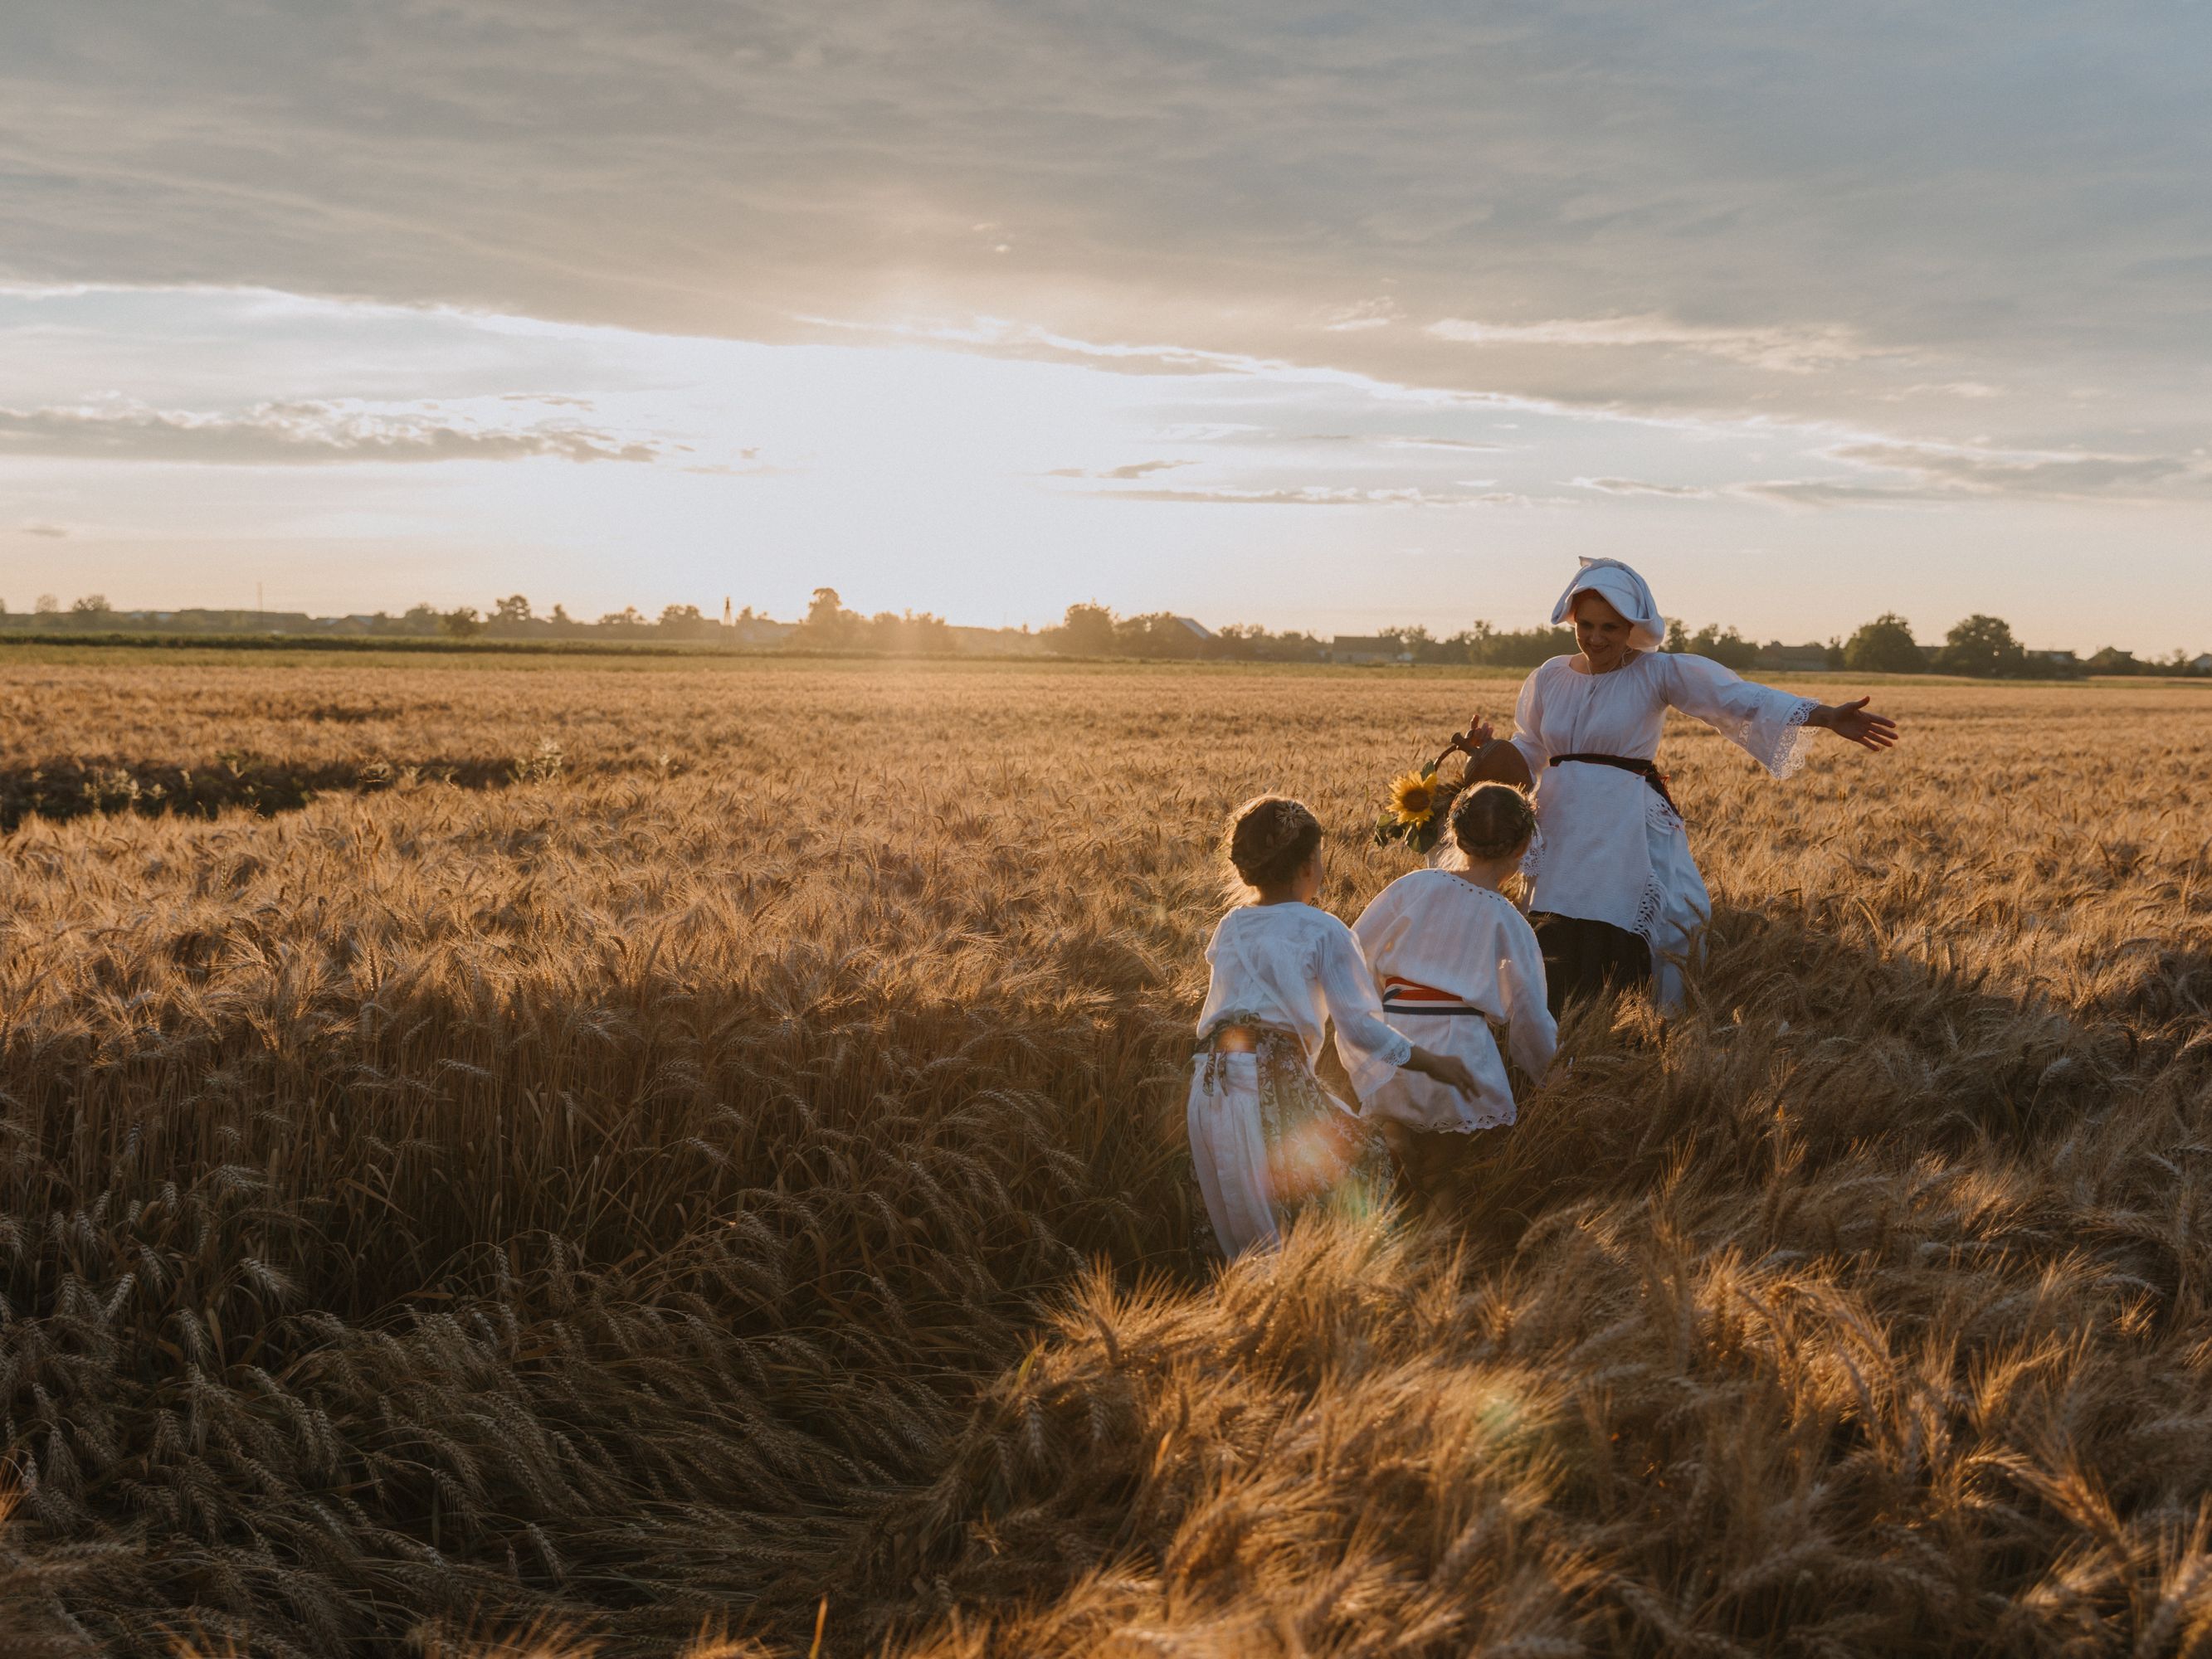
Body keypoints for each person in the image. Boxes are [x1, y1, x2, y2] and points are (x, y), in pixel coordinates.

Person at [1454, 557, 1898, 1014]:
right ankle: (1555, 1030)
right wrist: (1488, 755)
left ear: (1633, 626)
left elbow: (1736, 698)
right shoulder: (1549, 676)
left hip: (1625, 821)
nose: (1596, 638)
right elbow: (1530, 748)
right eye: (1584, 625)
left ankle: (1642, 1025)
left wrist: (1823, 715)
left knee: (1667, 918)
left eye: (1610, 626)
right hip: (1562, 821)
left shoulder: (1656, 672)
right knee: (1557, 925)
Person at [1189, 795, 1480, 1255]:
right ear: (1308, 867)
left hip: (1209, 1084)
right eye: (1321, 860)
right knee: (1357, 1170)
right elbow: (1362, 1031)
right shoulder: (1323, 930)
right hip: (1270, 1079)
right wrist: (1434, 1065)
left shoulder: (1231, 925)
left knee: (1244, 1229)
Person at [1353, 783, 1557, 1191]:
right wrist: (1552, 1074)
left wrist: (1374, 1010)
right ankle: (1439, 1226)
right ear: (1522, 849)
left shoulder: (1414, 886)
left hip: (1395, 1042)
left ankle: (1395, 1142)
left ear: (1454, 832)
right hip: (1462, 1051)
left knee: (1391, 1174)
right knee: (1444, 1179)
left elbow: (1354, 951)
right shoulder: (1510, 921)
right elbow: (1529, 1015)